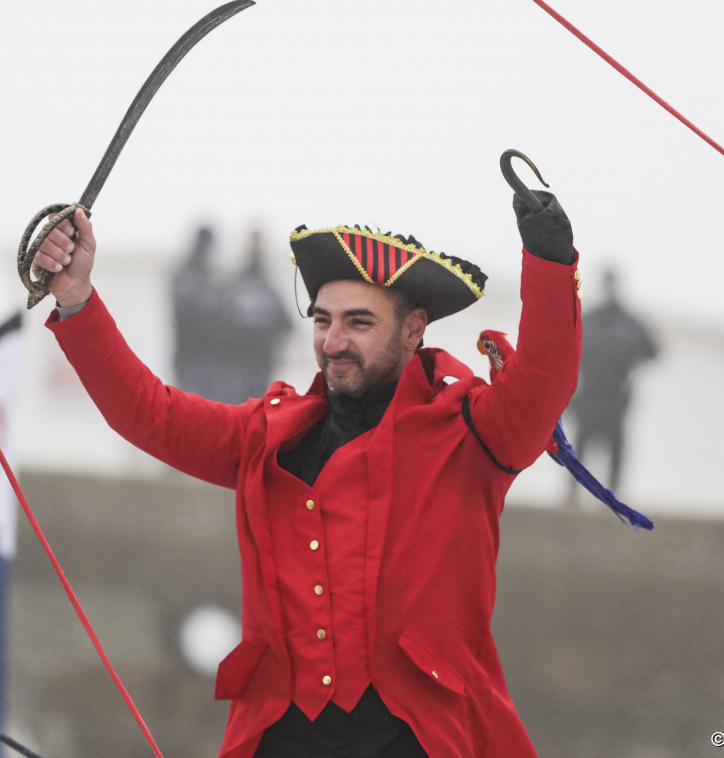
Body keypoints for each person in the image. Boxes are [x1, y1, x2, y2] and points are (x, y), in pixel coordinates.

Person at [29, 186, 583, 758]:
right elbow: (149, 414)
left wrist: (548, 259)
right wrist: (76, 298)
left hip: (425, 740)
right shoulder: (265, 434)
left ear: (414, 330)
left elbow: (545, 376)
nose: (334, 342)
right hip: (278, 739)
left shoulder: (470, 433)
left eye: (359, 322)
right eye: (323, 320)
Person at [567, 269, 658, 501]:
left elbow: (654, 351)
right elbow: (563, 347)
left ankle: (613, 496)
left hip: (616, 396)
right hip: (588, 394)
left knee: (615, 447)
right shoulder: (588, 319)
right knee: (580, 445)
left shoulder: (630, 324)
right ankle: (572, 495)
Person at [173, 228, 292, 403]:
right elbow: (216, 323)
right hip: (231, 367)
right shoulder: (234, 286)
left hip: (257, 364)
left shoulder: (265, 287)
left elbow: (286, 324)